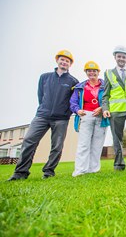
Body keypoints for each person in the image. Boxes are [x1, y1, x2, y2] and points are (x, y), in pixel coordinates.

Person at [7, 50, 79, 181]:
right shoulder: (44, 77)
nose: (64, 62)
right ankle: (20, 172)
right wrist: (44, 109)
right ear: (57, 60)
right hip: (42, 116)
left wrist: (65, 113)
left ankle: (48, 171)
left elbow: (73, 100)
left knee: (57, 146)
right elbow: (41, 96)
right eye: (62, 60)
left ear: (70, 64)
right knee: (29, 141)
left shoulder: (73, 81)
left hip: (61, 118)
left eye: (67, 61)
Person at [70, 61, 109, 177]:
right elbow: (73, 102)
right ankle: (80, 171)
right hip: (85, 115)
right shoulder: (80, 87)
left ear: (98, 72)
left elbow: (109, 99)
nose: (92, 73)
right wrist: (77, 110)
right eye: (89, 71)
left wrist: (102, 108)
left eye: (94, 71)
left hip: (100, 116)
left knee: (97, 144)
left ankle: (93, 170)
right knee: (84, 144)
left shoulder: (105, 85)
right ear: (86, 72)